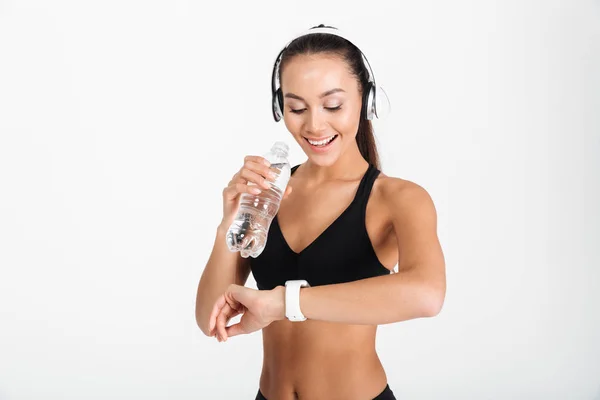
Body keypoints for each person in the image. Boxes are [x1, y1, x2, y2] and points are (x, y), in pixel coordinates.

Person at [195, 24, 446, 400]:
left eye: (332, 105)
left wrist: (281, 302)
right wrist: (227, 225)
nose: (314, 125)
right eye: (297, 108)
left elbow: (427, 294)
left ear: (365, 100)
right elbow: (210, 319)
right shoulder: (271, 193)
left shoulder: (398, 198)